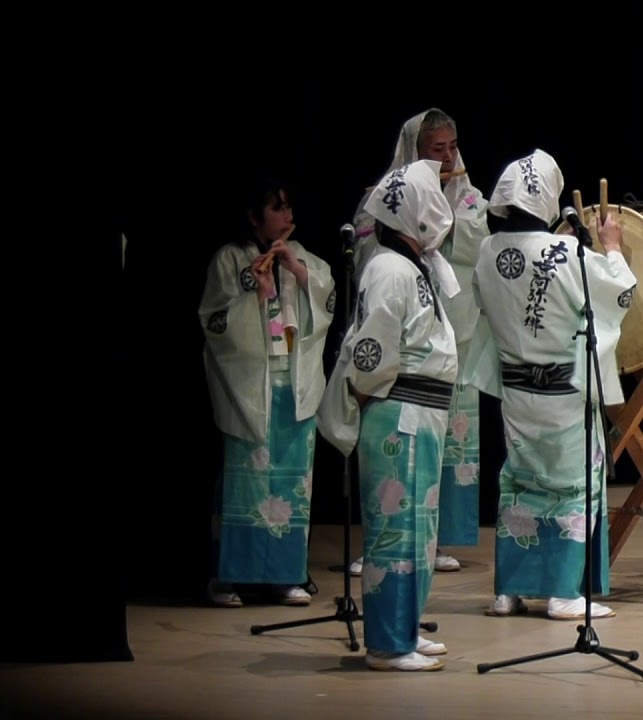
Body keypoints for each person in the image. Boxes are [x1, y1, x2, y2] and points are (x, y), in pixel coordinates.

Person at [463, 149, 635, 620]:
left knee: (520, 480)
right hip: (562, 390)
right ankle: (562, 591)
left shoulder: (486, 251)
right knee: (572, 484)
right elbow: (619, 291)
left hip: (516, 389)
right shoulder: (566, 253)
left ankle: (510, 590)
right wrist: (613, 246)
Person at [317, 159, 457, 671]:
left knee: (417, 528)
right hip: (400, 412)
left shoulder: (406, 266)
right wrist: (374, 394)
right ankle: (387, 642)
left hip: (419, 412)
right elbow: (370, 352)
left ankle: (404, 627)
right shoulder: (387, 268)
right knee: (396, 528)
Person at [347, 108, 488, 577]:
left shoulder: (468, 199)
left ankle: (433, 540)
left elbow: (477, 246)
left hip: (448, 340)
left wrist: (446, 209)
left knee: (443, 447)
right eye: (436, 150)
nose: (448, 158)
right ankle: (382, 552)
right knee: (395, 466)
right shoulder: (384, 207)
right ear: (415, 152)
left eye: (453, 147)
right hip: (400, 365)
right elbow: (368, 254)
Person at [198, 178, 336, 607]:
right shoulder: (230, 260)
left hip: (293, 383)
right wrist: (255, 297)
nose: (286, 214)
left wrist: (296, 271)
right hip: (250, 387)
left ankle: (286, 574)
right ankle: (230, 577)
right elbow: (214, 322)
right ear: (255, 217)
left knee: (292, 482)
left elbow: (327, 301)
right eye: (277, 207)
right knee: (248, 482)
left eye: (288, 206)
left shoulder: (305, 258)